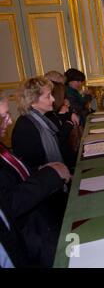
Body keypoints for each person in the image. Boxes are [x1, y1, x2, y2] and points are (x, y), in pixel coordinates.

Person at [1, 93, 70, 267]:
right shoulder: (25, 126)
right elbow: (9, 203)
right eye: (4, 117)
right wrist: (50, 174)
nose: (9, 122)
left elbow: (17, 171)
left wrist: (41, 170)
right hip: (30, 238)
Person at [12, 77, 75, 170]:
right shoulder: (25, 127)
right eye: (48, 96)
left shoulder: (42, 118)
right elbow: (29, 167)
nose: (53, 99)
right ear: (33, 101)